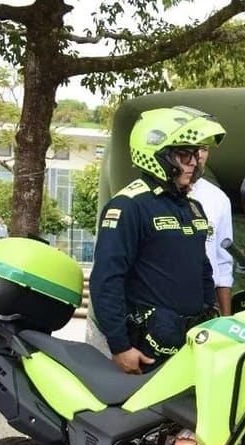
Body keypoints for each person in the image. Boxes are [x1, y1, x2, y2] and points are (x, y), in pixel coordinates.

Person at [89, 105, 226, 375]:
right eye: (183, 154)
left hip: (190, 341)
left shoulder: (192, 207)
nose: (193, 163)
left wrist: (214, 318)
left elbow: (202, 270)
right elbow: (106, 279)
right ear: (158, 155)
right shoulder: (128, 206)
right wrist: (119, 346)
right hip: (147, 348)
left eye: (195, 155)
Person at [190, 146, 234, 315]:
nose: (199, 156)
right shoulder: (147, 199)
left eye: (204, 149)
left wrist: (225, 318)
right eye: (193, 148)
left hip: (206, 303)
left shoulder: (218, 198)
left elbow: (223, 263)